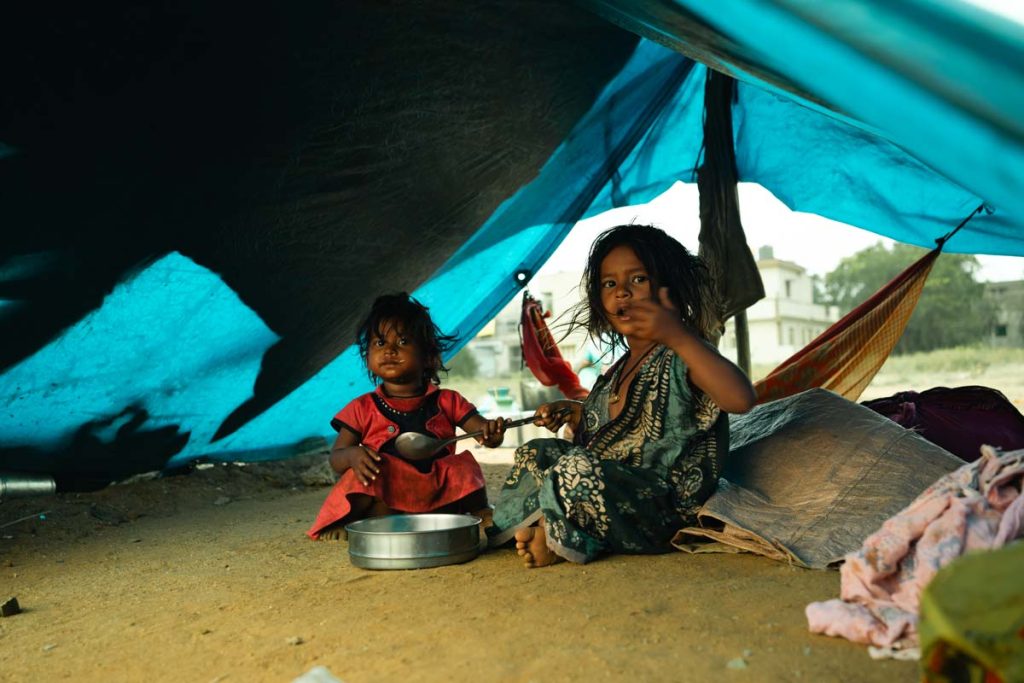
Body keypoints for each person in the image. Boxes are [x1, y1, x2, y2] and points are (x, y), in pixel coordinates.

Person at [488, 224, 756, 567]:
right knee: (538, 452)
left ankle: (554, 534)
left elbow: (740, 399)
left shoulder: (684, 355)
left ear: (670, 289)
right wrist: (576, 413)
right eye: (610, 284)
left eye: (638, 279)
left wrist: (677, 336)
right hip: (613, 488)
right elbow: (616, 432)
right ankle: (527, 524)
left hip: (662, 508)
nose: (623, 293)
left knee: (576, 468)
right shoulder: (618, 370)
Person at [307, 293, 506, 540]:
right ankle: (344, 520)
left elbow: (484, 434)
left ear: (429, 356)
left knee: (463, 465)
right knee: (355, 477)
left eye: (402, 341)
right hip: (385, 500)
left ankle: (480, 511)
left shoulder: (448, 401)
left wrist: (492, 433)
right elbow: (336, 459)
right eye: (379, 343)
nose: (389, 350)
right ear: (366, 356)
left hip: (439, 496)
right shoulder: (362, 407)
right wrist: (353, 455)